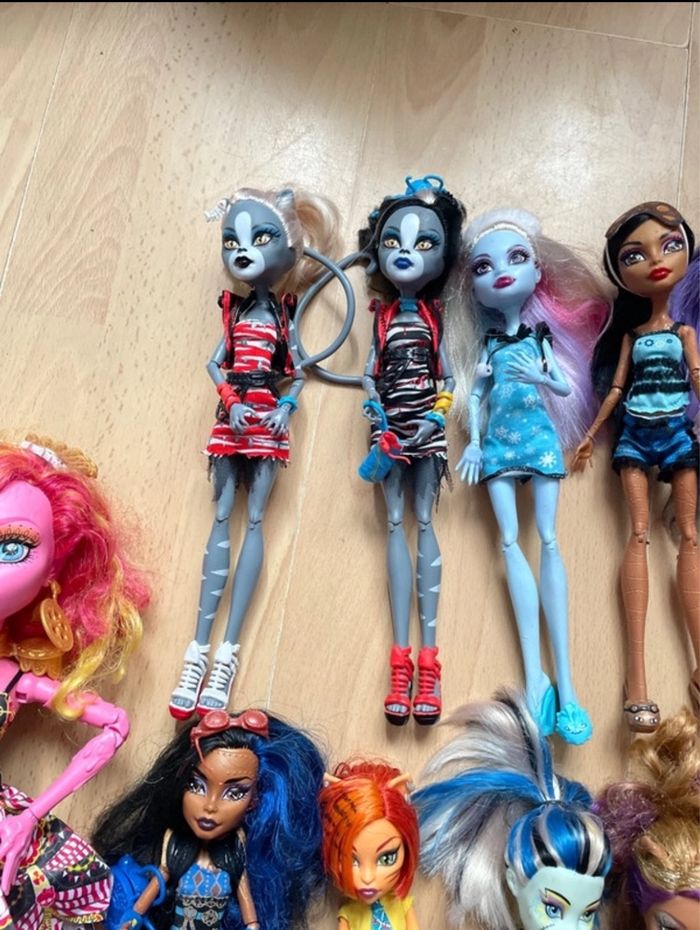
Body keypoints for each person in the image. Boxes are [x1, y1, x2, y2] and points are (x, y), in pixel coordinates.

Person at [0, 434, 149, 930]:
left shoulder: (13, 677)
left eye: (11, 547)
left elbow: (115, 723)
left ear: (52, 574)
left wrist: (28, 818)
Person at [572, 202, 699, 732]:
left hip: (676, 434)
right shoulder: (632, 337)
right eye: (634, 255)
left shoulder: (685, 334)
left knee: (689, 535)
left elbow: (697, 379)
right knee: (640, 533)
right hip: (635, 437)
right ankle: (638, 683)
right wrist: (589, 434)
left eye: (670, 245)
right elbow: (617, 388)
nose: (656, 260)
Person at [93, 708, 326, 930]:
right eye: (196, 785)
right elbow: (156, 885)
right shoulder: (174, 845)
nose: (210, 806)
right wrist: (133, 916)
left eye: (234, 793)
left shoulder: (234, 853)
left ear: (255, 800)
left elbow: (247, 905)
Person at [319, 759, 419, 930]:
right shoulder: (348, 913)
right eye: (349, 860)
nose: (367, 878)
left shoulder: (401, 904)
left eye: (387, 858)